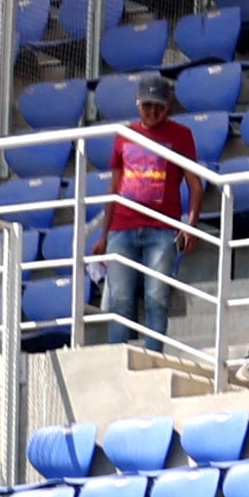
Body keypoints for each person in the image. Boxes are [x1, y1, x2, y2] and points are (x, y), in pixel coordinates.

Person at [103, 80, 211, 362]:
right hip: (122, 228)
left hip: (162, 229)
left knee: (156, 299)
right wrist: (104, 235)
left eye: (158, 106)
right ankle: (117, 361)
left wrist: (191, 224)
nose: (152, 112)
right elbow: (114, 187)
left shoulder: (181, 135)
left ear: (168, 106)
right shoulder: (123, 135)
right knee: (120, 301)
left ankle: (153, 360)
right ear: (137, 104)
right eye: (147, 105)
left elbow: (194, 185)